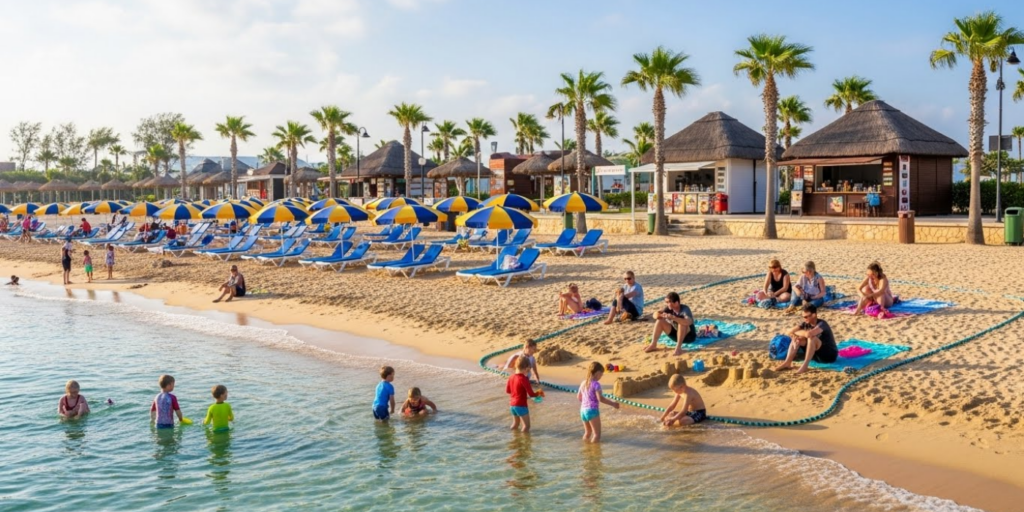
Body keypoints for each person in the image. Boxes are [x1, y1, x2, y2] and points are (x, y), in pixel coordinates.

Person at [774, 304, 839, 374]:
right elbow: (788, 332)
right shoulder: (805, 323)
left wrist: (797, 332)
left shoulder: (822, 324)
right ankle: (787, 362)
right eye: (803, 317)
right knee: (797, 339)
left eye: (806, 317)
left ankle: (805, 366)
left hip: (828, 355)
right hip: (816, 354)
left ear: (814, 315)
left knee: (812, 338)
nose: (804, 319)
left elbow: (809, 334)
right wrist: (795, 335)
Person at [577, 361, 620, 443]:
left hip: (583, 410)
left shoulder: (583, 383)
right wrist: (613, 404)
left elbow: (579, 397)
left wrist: (586, 402)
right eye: (601, 374)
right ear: (597, 373)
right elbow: (600, 398)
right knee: (597, 434)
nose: (601, 376)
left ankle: (586, 450)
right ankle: (594, 453)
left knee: (588, 432)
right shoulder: (596, 384)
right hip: (592, 410)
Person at [644, 292, 695, 356]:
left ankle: (678, 348)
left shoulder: (684, 309)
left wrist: (674, 318)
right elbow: (654, 315)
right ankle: (653, 344)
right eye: (666, 302)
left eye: (669, 302)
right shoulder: (668, 309)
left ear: (676, 303)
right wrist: (659, 315)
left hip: (689, 337)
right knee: (660, 321)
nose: (667, 304)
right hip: (676, 336)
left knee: (682, 323)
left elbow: (689, 321)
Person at [506, 355, 539, 433]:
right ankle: (525, 444)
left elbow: (508, 391)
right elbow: (531, 394)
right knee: (526, 426)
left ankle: (514, 440)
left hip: (512, 405)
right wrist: (538, 393)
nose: (529, 371)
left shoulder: (511, 377)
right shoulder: (524, 379)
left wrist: (518, 393)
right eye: (529, 369)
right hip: (521, 406)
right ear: (526, 368)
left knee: (515, 424)